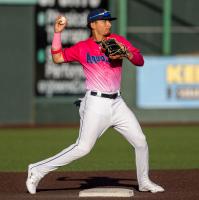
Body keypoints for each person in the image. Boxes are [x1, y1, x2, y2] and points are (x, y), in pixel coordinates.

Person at [26, 8, 164, 194]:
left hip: (117, 102)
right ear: (93, 24)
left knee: (140, 141)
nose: (108, 23)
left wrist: (127, 53)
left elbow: (139, 61)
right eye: (104, 20)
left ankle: (144, 181)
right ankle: (36, 170)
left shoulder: (118, 41)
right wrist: (57, 33)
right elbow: (57, 57)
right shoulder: (83, 47)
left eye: (109, 20)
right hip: (96, 103)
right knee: (83, 148)